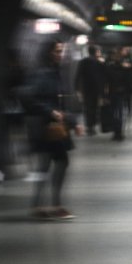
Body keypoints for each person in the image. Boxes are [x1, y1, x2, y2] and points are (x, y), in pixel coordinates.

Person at [22, 40, 81, 220]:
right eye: (57, 51)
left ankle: (42, 205)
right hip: (45, 128)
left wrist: (72, 121)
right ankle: (50, 205)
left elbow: (60, 101)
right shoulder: (42, 74)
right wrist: (52, 112)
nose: (60, 54)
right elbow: (31, 99)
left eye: (61, 51)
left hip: (54, 127)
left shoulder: (56, 72)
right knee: (54, 164)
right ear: (48, 53)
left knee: (51, 165)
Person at [74, 45, 105, 135]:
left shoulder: (83, 62)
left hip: (86, 88)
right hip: (97, 88)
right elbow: (103, 76)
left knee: (88, 107)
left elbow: (78, 75)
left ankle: (89, 126)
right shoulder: (99, 62)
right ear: (95, 52)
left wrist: (76, 88)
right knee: (95, 107)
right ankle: (93, 125)